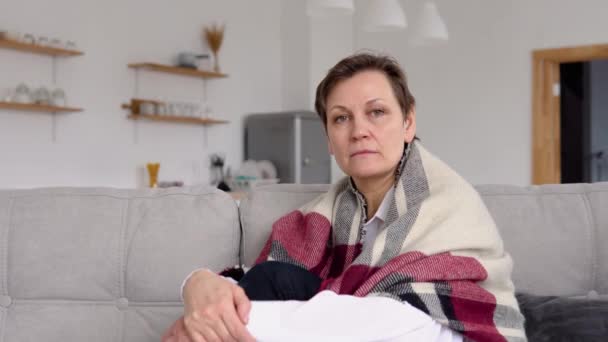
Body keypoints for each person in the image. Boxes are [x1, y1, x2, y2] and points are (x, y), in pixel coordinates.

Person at [162, 52, 527, 342]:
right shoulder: (328, 214)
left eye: (377, 113)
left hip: (435, 326)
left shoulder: (446, 202)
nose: (359, 131)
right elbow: (269, 285)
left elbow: (399, 323)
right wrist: (198, 283)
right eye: (341, 119)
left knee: (391, 320)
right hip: (352, 323)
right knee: (269, 279)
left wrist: (209, 326)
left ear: (408, 123)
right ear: (328, 140)